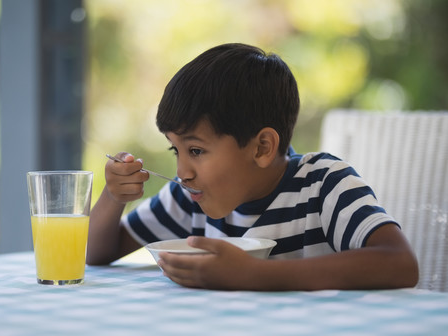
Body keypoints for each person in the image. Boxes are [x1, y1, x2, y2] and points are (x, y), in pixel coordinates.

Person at [86, 43, 419, 291]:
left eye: (197, 150)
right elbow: (97, 253)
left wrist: (255, 275)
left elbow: (399, 263)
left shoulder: (323, 185)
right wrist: (113, 198)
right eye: (176, 150)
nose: (182, 171)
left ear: (262, 147)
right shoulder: (190, 198)